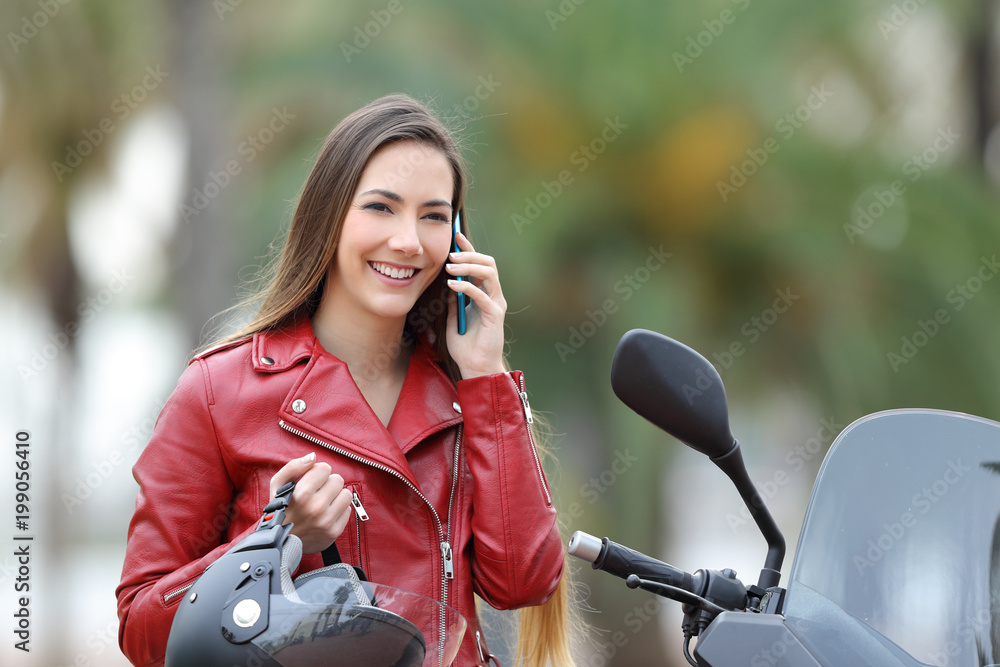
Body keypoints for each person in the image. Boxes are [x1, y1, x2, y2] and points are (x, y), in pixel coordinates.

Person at [116, 94, 576, 666]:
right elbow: (142, 628)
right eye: (381, 207)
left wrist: (486, 373)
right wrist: (273, 542)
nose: (409, 241)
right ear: (329, 215)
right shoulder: (220, 390)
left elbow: (524, 582)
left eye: (433, 216)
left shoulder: (470, 394)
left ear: (458, 240)